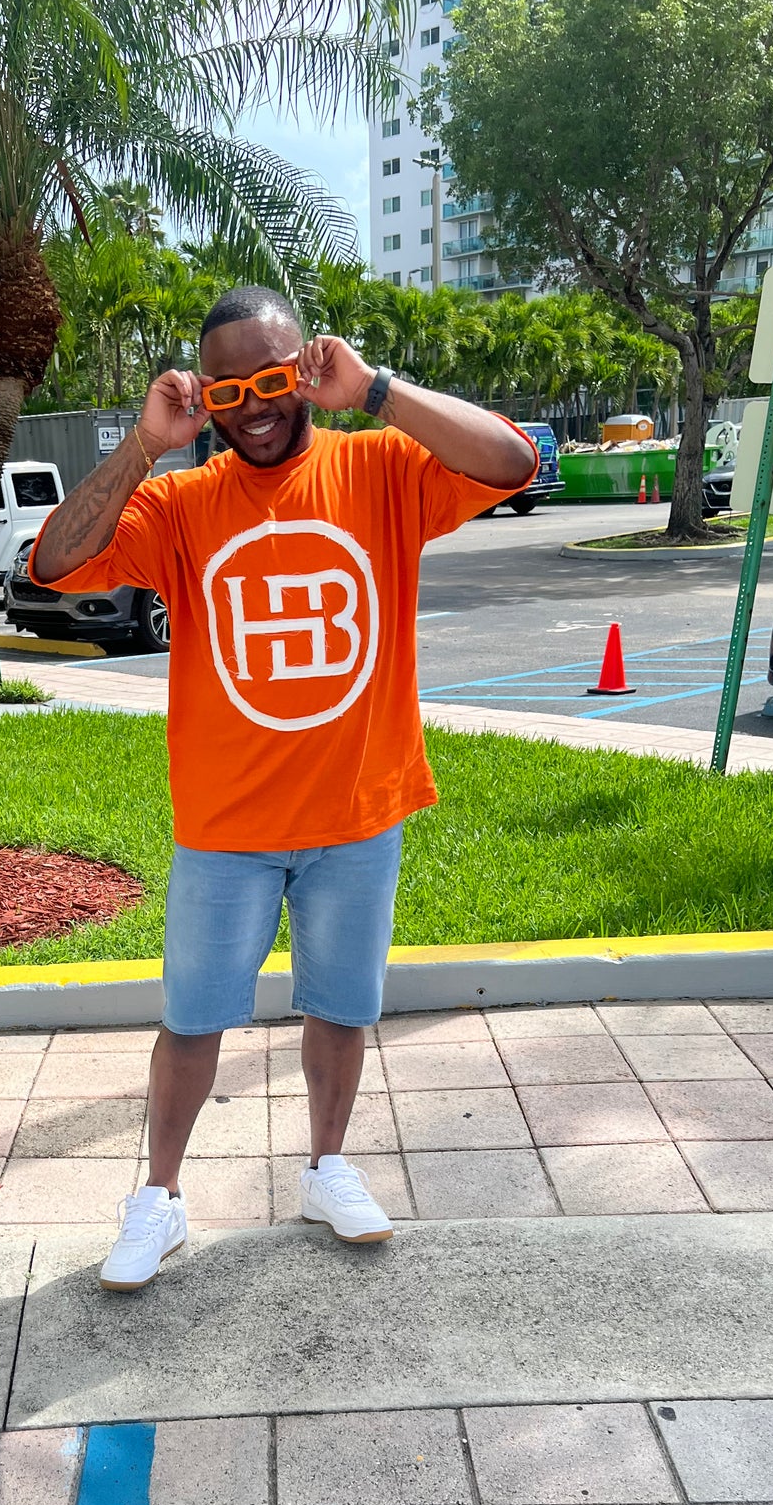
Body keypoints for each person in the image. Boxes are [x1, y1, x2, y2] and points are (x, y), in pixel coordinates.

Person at [31, 286, 536, 1291]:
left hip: (356, 811)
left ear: (304, 367)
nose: (255, 406)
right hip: (227, 827)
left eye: (272, 378)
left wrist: (377, 391)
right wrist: (143, 447)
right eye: (230, 389)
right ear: (204, 395)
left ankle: (326, 1165)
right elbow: (55, 561)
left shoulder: (379, 469)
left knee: (342, 1008)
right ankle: (159, 1198)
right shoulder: (178, 504)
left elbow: (513, 462)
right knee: (192, 1020)